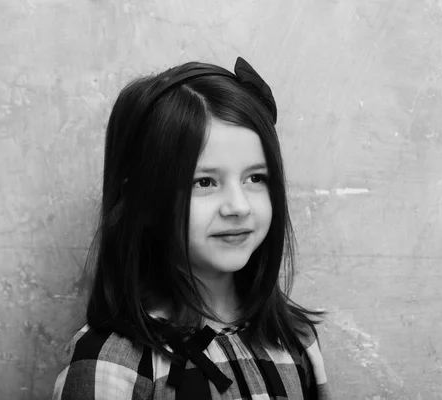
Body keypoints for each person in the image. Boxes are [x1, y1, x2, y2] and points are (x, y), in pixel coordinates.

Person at [52, 57, 331, 399]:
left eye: (256, 178)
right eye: (205, 182)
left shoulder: (294, 341)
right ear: (146, 200)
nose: (239, 206)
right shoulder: (112, 362)